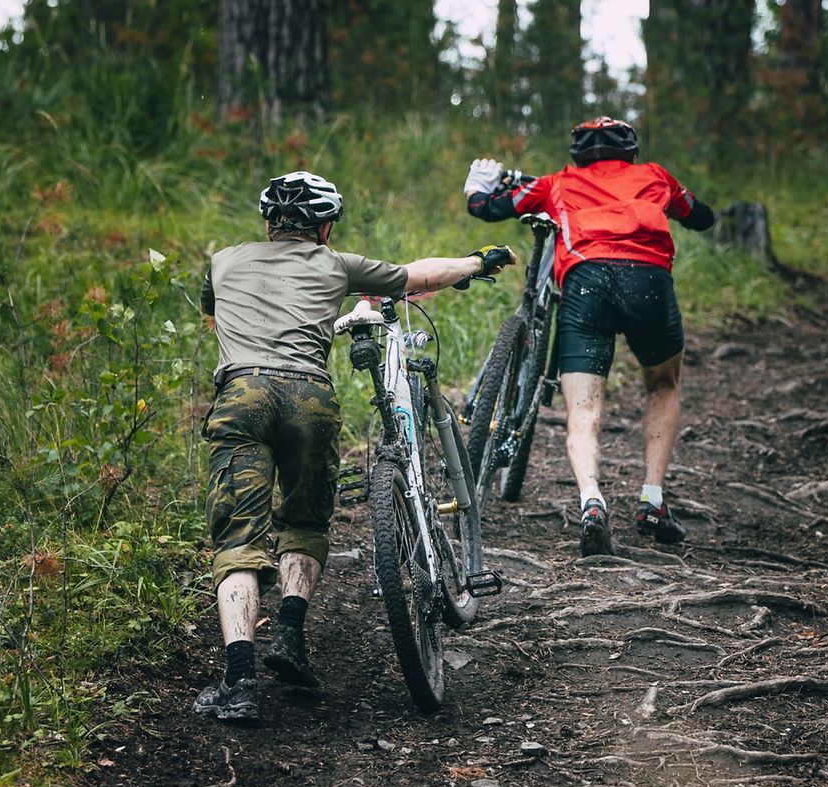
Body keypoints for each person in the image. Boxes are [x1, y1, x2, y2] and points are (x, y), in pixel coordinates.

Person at [193, 170, 515, 725]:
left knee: (238, 539)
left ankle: (239, 682)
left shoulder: (223, 261)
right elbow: (420, 274)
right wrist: (477, 262)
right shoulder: (335, 264)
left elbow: (214, 315)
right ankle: (289, 636)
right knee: (305, 522)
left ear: (268, 222)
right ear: (324, 227)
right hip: (310, 397)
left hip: (242, 395)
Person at [462, 116, 715, 556]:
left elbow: (486, 207)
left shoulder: (558, 183)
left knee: (583, 407)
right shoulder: (656, 177)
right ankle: (652, 499)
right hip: (648, 280)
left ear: (577, 154)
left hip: (586, 282)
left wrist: (476, 187)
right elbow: (702, 217)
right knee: (663, 383)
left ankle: (591, 501)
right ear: (631, 151)